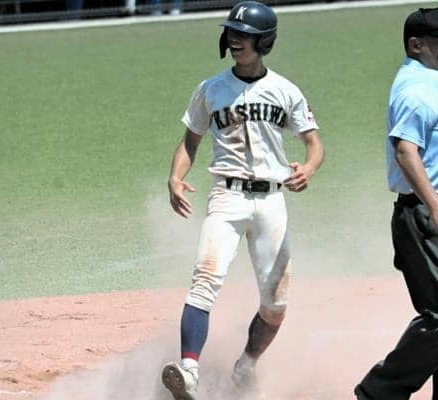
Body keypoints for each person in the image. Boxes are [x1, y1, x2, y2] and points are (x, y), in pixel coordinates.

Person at [160, 2, 324, 399]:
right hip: (226, 198)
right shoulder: (211, 89)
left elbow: (313, 143)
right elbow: (190, 140)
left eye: (244, 34)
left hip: (272, 204)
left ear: (263, 41)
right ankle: (189, 370)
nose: (235, 40)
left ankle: (246, 365)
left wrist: (309, 167)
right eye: (231, 32)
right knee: (204, 281)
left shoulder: (286, 91)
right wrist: (175, 178)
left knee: (276, 306)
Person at [354, 7, 438, 400]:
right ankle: (379, 392)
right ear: (416, 45)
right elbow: (405, 151)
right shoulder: (419, 87)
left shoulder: (431, 81)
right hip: (432, 213)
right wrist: (437, 207)